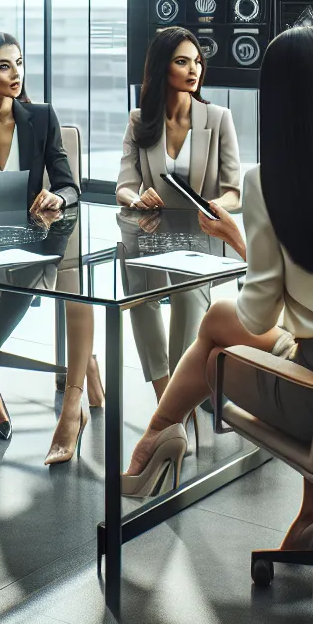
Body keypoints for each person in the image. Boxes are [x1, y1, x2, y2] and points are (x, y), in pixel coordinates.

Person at [119, 27, 313, 552]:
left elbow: (257, 318)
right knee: (270, 335)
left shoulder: (269, 184)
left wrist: (245, 253)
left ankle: (162, 429)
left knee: (217, 334)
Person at [0, 30, 102, 465]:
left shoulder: (41, 118)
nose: (16, 74)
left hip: (29, 233)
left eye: (19, 63)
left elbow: (69, 185)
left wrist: (57, 198)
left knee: (33, 268)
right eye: (3, 65)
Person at [115, 27, 242, 403]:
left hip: (202, 232)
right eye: (182, 61)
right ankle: (164, 396)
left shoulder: (218, 118)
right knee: (140, 294)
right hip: (150, 230)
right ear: (161, 68)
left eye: (197, 61)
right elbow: (123, 184)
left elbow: (234, 191)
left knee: (189, 298)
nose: (193, 70)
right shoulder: (140, 121)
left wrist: (213, 207)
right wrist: (136, 198)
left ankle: (178, 398)